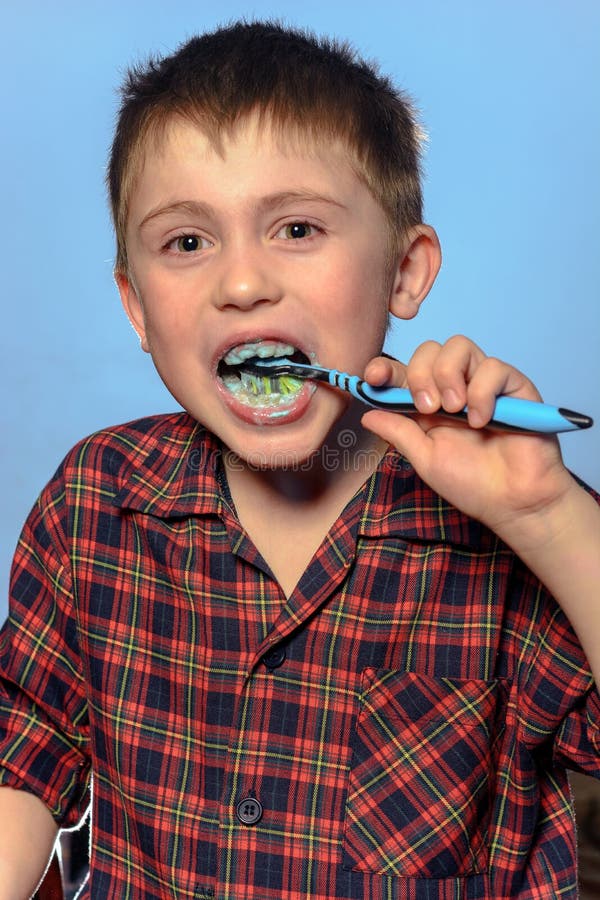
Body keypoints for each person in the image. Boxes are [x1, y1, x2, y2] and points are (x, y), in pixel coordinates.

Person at [0, 19, 599, 900]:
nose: (242, 284)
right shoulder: (96, 502)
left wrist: (548, 518)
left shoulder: (512, 519)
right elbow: (25, 754)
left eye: (297, 229)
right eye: (187, 243)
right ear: (136, 308)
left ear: (404, 270)